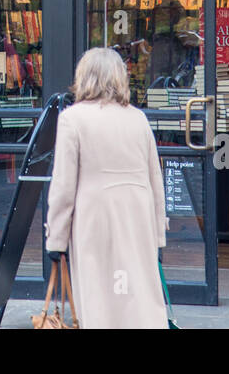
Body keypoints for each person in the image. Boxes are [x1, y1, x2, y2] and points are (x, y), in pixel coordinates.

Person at [45, 47, 168, 328]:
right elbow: (154, 179)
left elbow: (64, 186)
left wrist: (56, 240)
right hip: (137, 217)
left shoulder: (72, 119)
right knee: (136, 296)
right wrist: (158, 234)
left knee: (99, 296)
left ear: (84, 77)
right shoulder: (138, 118)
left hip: (95, 218)